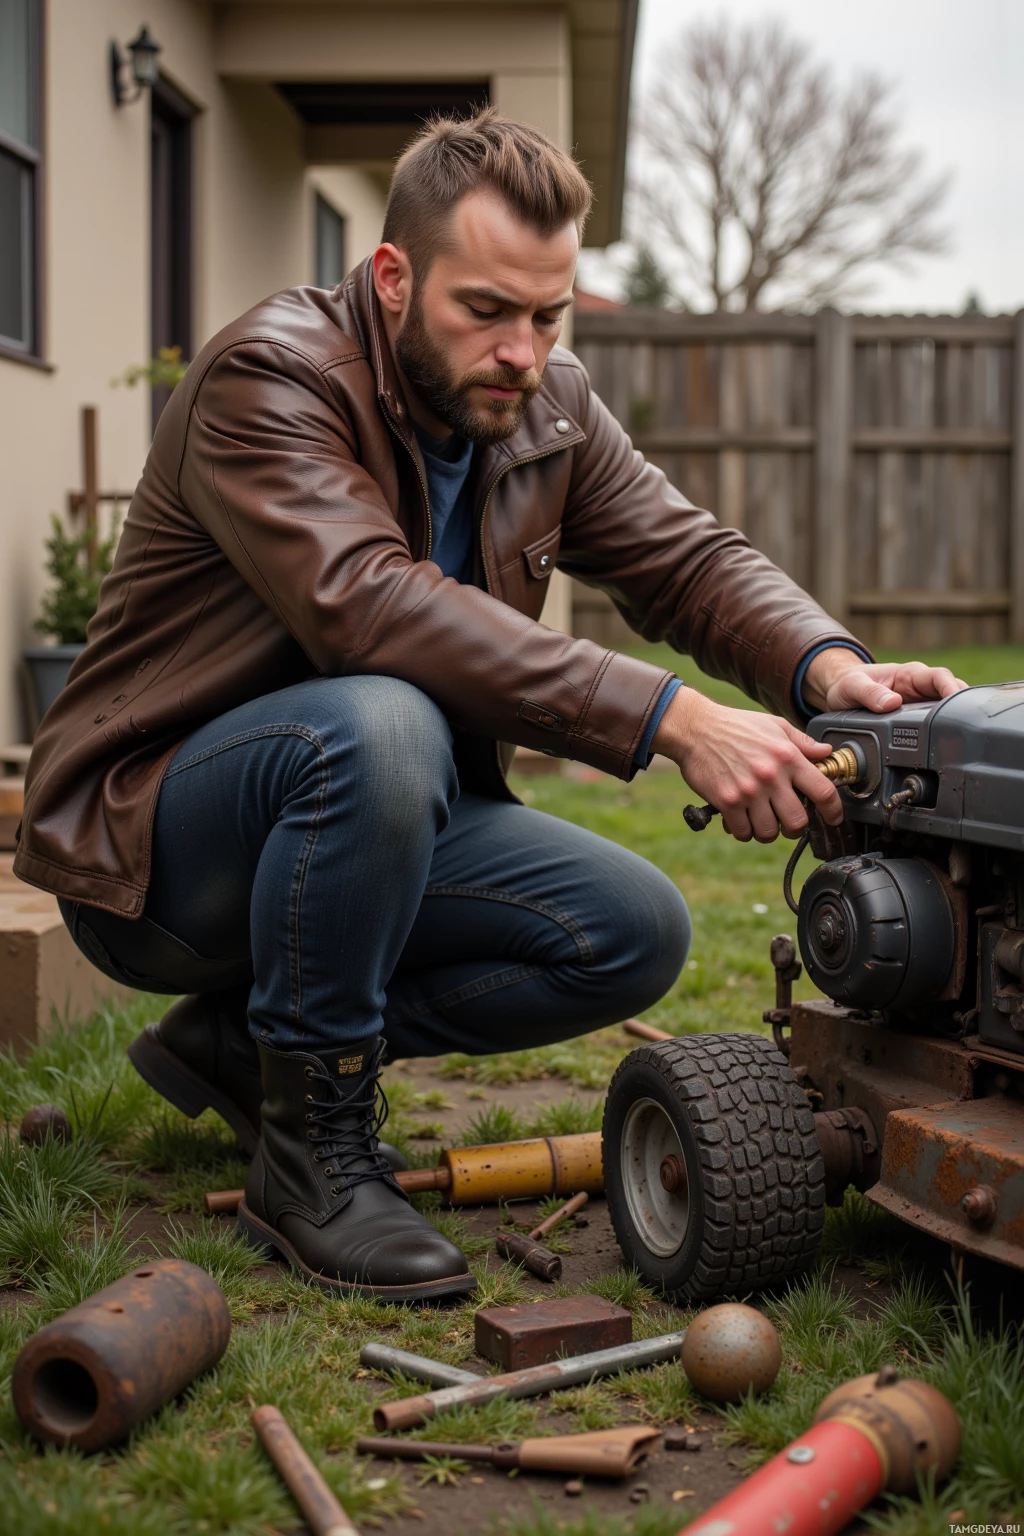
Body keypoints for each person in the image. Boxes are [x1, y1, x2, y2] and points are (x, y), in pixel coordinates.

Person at [16, 110, 964, 1302]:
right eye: (486, 311)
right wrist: (674, 719)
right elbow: (368, 606)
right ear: (394, 276)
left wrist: (829, 669)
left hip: (369, 812)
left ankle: (241, 1050)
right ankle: (311, 1163)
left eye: (547, 315)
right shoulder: (270, 376)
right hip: (159, 846)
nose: (522, 350)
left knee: (630, 930)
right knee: (380, 716)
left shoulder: (546, 404)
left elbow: (685, 561)